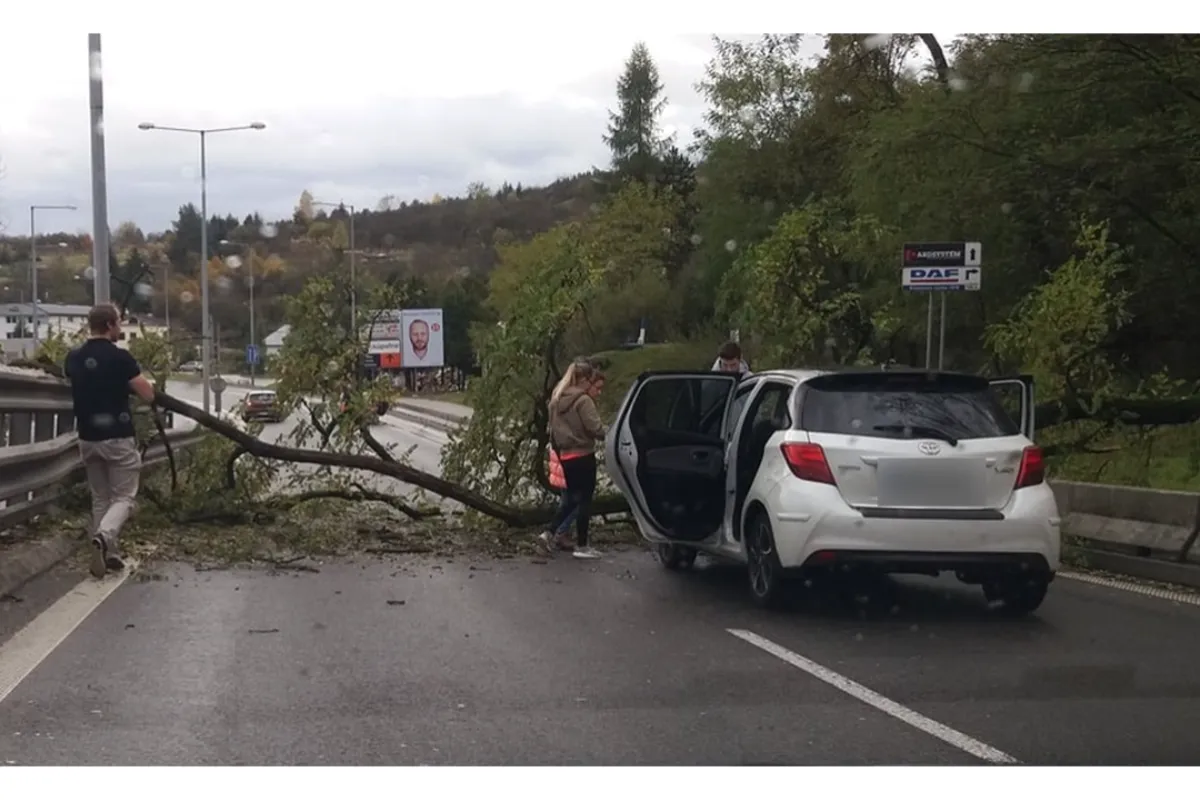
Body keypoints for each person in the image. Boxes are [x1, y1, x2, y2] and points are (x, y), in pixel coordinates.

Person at [64, 303, 157, 579]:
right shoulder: (121, 358)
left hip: (87, 438)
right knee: (125, 498)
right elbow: (148, 395)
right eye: (118, 323)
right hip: (117, 436)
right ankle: (104, 537)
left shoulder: (73, 357)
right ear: (109, 325)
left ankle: (109, 554)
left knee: (100, 497)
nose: (120, 327)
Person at [537, 358, 606, 560]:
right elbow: (595, 428)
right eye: (589, 379)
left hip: (566, 455)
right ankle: (582, 545)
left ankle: (548, 533)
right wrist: (608, 432)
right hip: (583, 453)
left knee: (571, 500)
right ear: (583, 379)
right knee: (584, 501)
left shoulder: (556, 400)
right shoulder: (583, 401)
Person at [546, 445, 578, 551]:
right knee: (576, 502)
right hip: (567, 462)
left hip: (561, 462)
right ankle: (559, 533)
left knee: (567, 502)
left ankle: (557, 533)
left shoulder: (556, 429)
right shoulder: (566, 429)